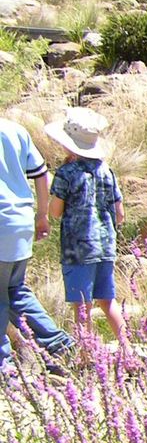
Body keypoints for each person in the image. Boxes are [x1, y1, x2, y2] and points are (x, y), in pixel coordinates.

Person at [45, 108, 127, 356]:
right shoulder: (107, 171)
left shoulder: (66, 173)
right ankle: (127, 348)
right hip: (105, 245)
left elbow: (55, 212)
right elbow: (120, 213)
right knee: (107, 300)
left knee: (82, 306)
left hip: (78, 248)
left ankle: (86, 355)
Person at [0, 115, 76, 374]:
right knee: (14, 290)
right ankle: (59, 343)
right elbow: (41, 174)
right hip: (19, 221)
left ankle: (4, 366)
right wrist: (41, 215)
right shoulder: (15, 130)